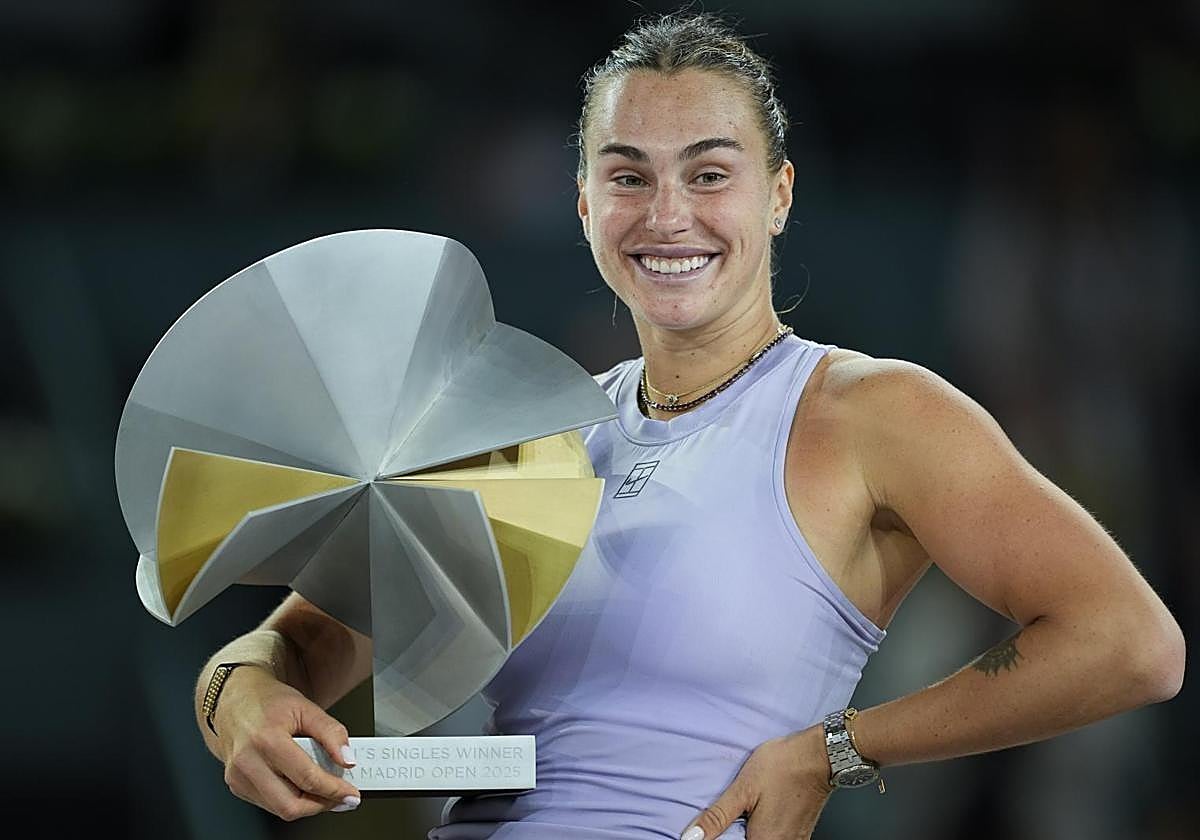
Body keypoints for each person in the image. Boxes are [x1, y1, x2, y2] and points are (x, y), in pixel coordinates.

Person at [193, 13, 1185, 840]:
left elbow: (1129, 642)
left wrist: (841, 748)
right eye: (628, 177)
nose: (668, 215)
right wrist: (238, 702)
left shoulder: (870, 413)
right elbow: (299, 644)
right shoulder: (524, 442)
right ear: (585, 206)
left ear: (780, 194)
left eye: (710, 174)